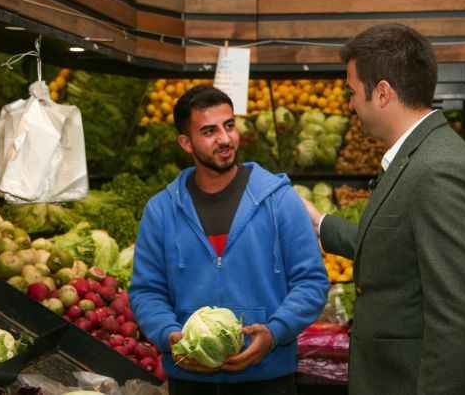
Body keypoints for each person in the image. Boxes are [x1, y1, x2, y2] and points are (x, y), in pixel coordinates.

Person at [301, 24, 465, 395]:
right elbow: (398, 248)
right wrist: (320, 224)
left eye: (351, 92)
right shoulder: (417, 157)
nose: (349, 105)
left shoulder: (440, 170)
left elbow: (459, 323)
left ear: (382, 93)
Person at [130, 85, 329, 395]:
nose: (224, 139)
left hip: (269, 378)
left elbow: (312, 282)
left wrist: (275, 333)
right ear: (186, 142)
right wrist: (170, 335)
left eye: (229, 125)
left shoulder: (280, 201)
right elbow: (147, 291)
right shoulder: (162, 210)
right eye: (209, 131)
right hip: (190, 380)